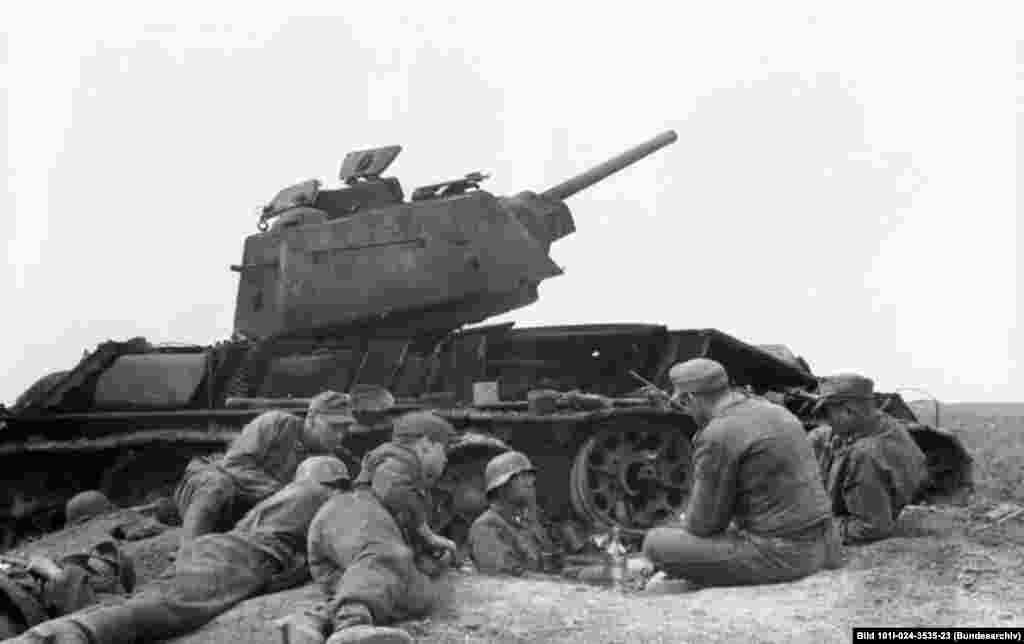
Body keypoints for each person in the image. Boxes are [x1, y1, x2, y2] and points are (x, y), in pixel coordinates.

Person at [12, 455, 351, 644]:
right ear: (334, 481)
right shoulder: (322, 496)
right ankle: (48, 639)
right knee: (165, 607)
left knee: (156, 604)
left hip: (227, 553)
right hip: (239, 556)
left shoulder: (295, 497)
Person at [641, 358, 841, 590]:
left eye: (680, 401)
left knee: (654, 543)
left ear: (690, 398)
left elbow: (703, 526)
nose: (679, 406)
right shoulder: (777, 411)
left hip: (785, 555)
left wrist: (679, 522)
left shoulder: (719, 433)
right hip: (828, 544)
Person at [279, 411, 457, 644]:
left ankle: (311, 624)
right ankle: (352, 625)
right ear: (425, 445)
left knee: (413, 590)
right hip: (354, 513)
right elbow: (389, 487)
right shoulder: (401, 458)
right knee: (386, 557)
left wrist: (431, 561)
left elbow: (400, 551)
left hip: (348, 554)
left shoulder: (412, 488)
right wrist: (426, 534)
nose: (446, 460)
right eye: (444, 451)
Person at [173, 390, 354, 551]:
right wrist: (283, 491)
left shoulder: (331, 458)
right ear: (312, 418)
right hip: (206, 488)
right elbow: (234, 464)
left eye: (344, 429)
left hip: (241, 509)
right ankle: (187, 552)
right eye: (333, 427)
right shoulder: (275, 423)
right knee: (217, 483)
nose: (339, 436)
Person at [807, 374, 929, 544]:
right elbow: (827, 439)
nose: (826, 420)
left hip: (862, 520)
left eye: (828, 413)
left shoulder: (866, 456)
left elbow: (870, 528)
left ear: (849, 411)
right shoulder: (876, 424)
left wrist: (812, 529)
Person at [0, 541, 134, 639]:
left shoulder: (103, 597)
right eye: (95, 554)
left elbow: (89, 616)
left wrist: (53, 572)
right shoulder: (62, 567)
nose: (94, 556)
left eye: (108, 560)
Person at [468, 451, 559, 576]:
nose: (530, 482)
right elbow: (505, 578)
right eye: (521, 477)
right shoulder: (485, 527)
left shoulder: (528, 524)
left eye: (530, 476)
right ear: (500, 487)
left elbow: (554, 565)